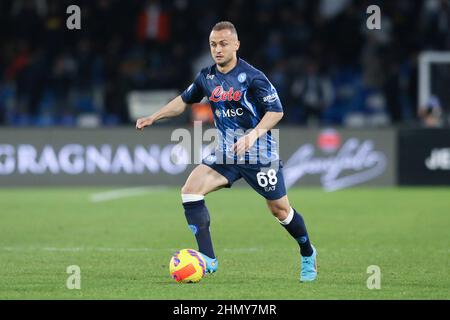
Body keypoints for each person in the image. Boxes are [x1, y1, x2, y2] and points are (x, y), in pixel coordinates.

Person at [136, 21, 317, 282]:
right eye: (213, 45)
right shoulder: (207, 77)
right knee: (190, 190)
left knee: (280, 210)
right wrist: (154, 116)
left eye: (223, 44)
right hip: (228, 151)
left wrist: (252, 135)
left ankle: (307, 252)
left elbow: (276, 111)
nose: (217, 49)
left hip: (259, 153)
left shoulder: (253, 77)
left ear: (236, 45)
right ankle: (208, 258)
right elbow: (183, 101)